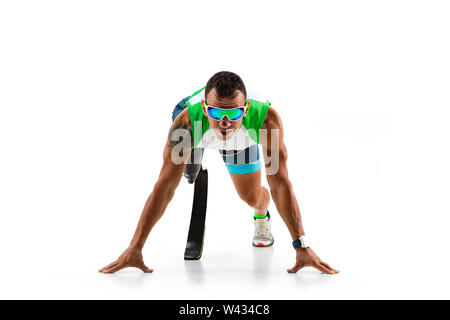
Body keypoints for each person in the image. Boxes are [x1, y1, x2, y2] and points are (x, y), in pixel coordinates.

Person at [99, 71, 339, 275]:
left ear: (245, 110)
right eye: (216, 113)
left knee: (251, 197)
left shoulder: (266, 122)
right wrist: (136, 246)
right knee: (182, 165)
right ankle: (193, 157)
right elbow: (165, 187)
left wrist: (301, 245)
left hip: (239, 141)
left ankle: (261, 216)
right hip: (196, 129)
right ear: (205, 108)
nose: (225, 122)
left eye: (233, 114)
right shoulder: (187, 123)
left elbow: (280, 184)